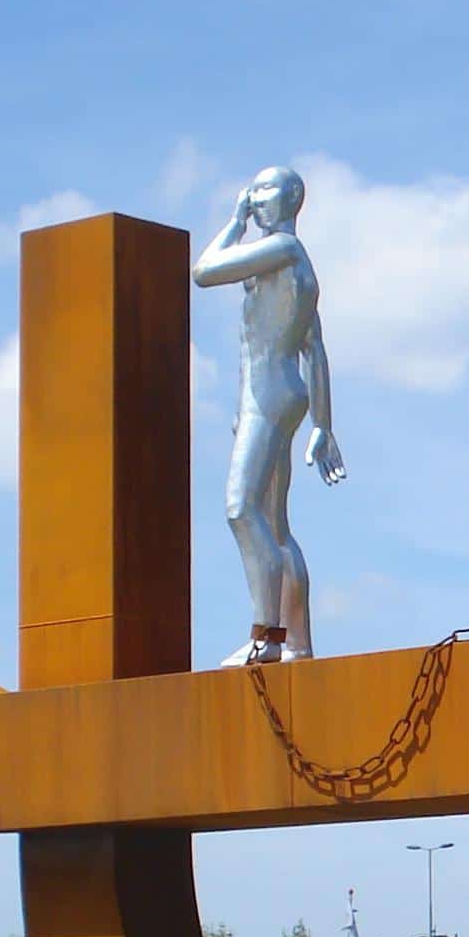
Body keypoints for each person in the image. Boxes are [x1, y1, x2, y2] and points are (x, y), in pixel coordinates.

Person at [193, 166, 346, 664]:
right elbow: (316, 347)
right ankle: (297, 643)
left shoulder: (283, 250)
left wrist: (235, 221)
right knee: (276, 526)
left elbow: (204, 270)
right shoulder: (296, 268)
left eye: (266, 191)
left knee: (240, 509)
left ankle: (266, 637)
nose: (256, 198)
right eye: (252, 191)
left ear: (293, 198)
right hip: (275, 394)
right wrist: (322, 424)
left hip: (268, 395)